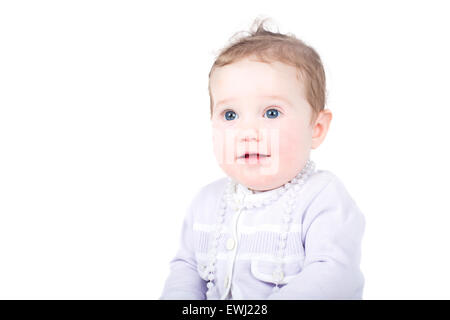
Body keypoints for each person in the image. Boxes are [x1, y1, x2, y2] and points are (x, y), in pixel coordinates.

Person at [160, 17, 365, 300]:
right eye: (230, 115)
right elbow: (186, 270)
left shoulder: (322, 197)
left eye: (271, 113)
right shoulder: (206, 203)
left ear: (316, 129)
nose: (248, 132)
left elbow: (332, 275)